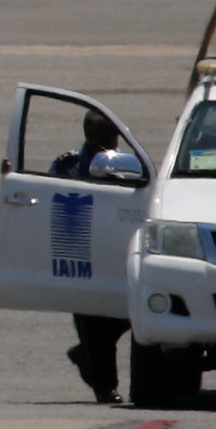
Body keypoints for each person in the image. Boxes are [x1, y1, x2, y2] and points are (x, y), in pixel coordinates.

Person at [46, 112, 132, 404]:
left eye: (113, 136)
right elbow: (48, 196)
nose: (112, 142)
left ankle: (86, 356)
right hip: (81, 253)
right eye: (107, 136)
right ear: (90, 136)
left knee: (127, 314)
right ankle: (105, 387)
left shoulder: (123, 164)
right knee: (92, 324)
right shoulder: (68, 164)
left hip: (114, 252)